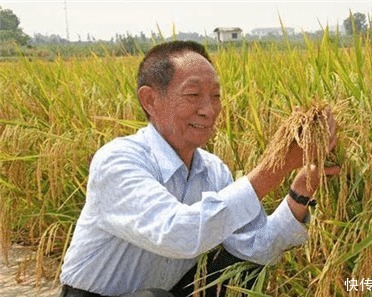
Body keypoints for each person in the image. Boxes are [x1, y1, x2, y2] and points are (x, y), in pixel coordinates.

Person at [59, 40, 340, 297]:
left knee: (242, 268)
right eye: (193, 94)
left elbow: (256, 247)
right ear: (150, 100)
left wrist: (301, 190)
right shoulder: (118, 161)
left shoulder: (214, 171)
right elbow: (178, 233)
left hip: (165, 293)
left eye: (215, 96)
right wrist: (276, 166)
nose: (208, 110)